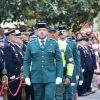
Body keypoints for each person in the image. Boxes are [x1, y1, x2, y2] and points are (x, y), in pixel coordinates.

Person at [23, 22, 63, 100]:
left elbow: (59, 60)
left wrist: (59, 76)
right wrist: (27, 76)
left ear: (47, 31)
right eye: (40, 30)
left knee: (49, 97)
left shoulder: (53, 43)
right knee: (38, 98)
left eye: (44, 30)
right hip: (36, 76)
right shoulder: (31, 44)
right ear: (37, 32)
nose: (42, 32)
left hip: (50, 76)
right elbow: (26, 61)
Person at [48, 25, 74, 100]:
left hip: (60, 75)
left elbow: (70, 62)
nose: (52, 34)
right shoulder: (42, 45)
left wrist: (69, 76)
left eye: (54, 32)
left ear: (58, 33)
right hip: (46, 75)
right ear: (47, 33)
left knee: (58, 96)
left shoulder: (64, 45)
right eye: (50, 32)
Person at [58, 25, 80, 100]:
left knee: (69, 94)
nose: (62, 33)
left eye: (64, 31)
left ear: (67, 33)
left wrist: (77, 73)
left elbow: (76, 60)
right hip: (59, 73)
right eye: (61, 31)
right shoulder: (55, 43)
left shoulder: (72, 44)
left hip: (70, 72)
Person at [4, 30, 22, 100]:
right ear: (9, 36)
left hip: (17, 73)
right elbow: (8, 62)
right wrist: (11, 74)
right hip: (13, 74)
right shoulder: (9, 46)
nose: (15, 37)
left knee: (17, 93)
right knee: (12, 94)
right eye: (14, 35)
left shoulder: (13, 46)